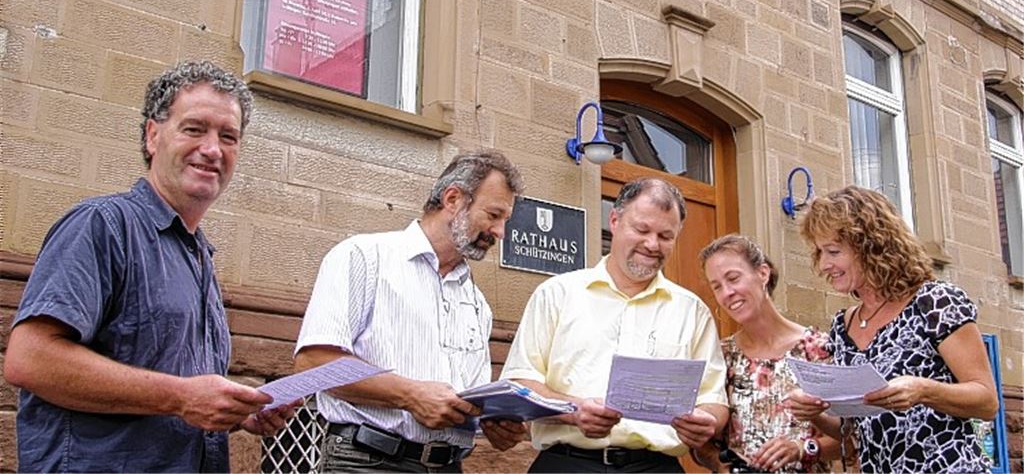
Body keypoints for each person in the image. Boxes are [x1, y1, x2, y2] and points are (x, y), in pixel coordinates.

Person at [4, 61, 295, 472]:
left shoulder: (197, 257)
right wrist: (182, 396)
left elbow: (178, 396)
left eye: (228, 136)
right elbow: (29, 359)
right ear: (152, 135)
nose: (213, 149)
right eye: (194, 129)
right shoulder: (102, 225)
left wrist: (235, 411)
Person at [294, 150, 528, 473]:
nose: (501, 232)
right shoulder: (363, 257)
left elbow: (466, 398)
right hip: (368, 462)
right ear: (453, 199)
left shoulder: (478, 303)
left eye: (505, 220)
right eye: (493, 215)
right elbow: (313, 364)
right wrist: (410, 395)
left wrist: (493, 423)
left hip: (449, 465)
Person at [501, 177, 729, 473]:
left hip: (656, 466)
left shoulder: (693, 311)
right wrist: (574, 411)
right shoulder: (557, 293)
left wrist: (706, 421)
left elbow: (714, 400)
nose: (652, 244)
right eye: (642, 229)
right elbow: (519, 383)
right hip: (567, 463)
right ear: (615, 220)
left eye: (665, 236)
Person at [787, 185, 999, 472]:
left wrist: (923, 390)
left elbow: (987, 401)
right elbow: (854, 431)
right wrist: (815, 414)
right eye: (820, 252)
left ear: (871, 245)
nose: (824, 264)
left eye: (834, 251)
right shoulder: (842, 326)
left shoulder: (934, 302)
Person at [696, 234, 838, 473]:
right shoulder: (720, 356)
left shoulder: (819, 349)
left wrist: (802, 449)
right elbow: (702, 444)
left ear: (763, 273)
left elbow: (851, 436)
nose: (727, 292)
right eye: (717, 286)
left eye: (733, 278)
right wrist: (717, 462)